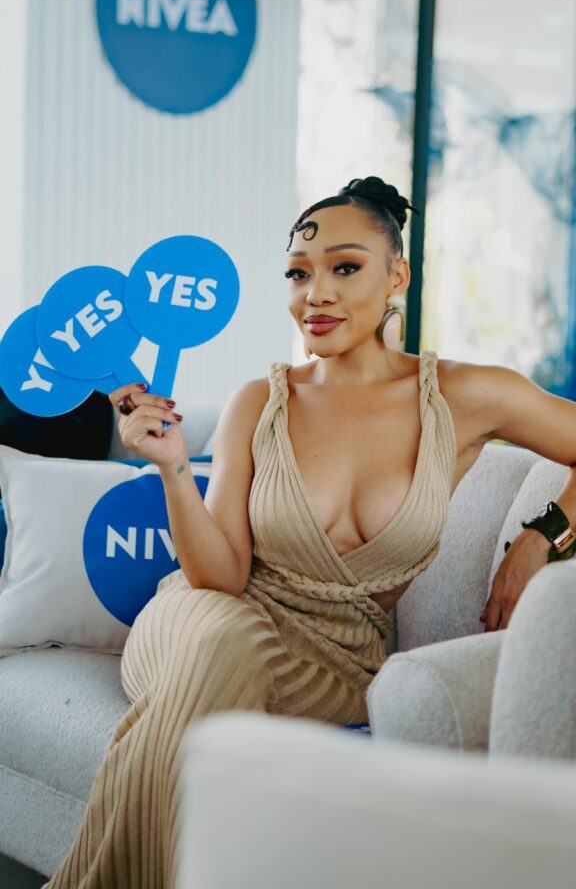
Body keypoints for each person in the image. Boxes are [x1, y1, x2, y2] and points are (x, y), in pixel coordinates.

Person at [43, 176, 576, 889]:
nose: (315, 294)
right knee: (221, 641)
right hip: (201, 619)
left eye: (344, 268)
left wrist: (541, 537)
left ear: (397, 277)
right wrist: (172, 469)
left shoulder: (464, 395)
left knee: (200, 697)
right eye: (298, 274)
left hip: (337, 668)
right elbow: (219, 578)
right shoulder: (260, 401)